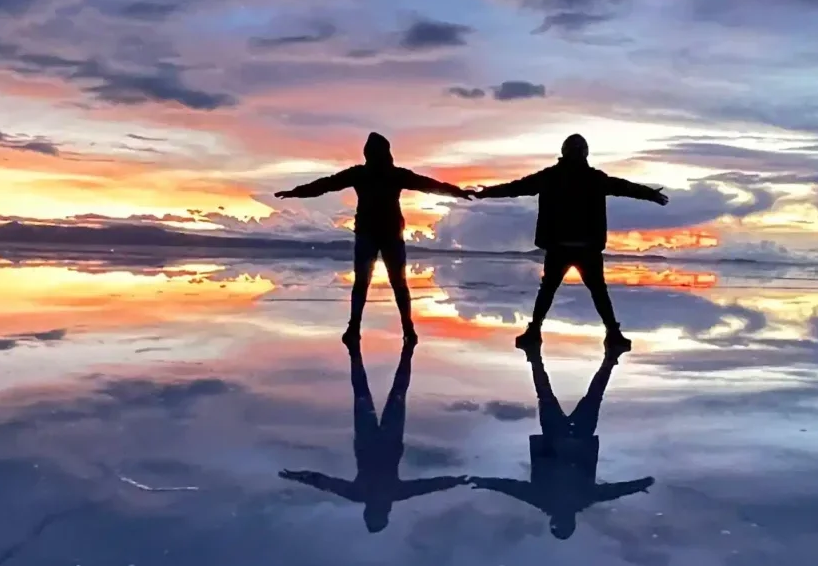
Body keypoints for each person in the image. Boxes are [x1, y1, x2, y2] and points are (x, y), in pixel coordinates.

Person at [474, 134, 668, 352]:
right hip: (582, 247)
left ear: (565, 152)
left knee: (551, 290)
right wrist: (651, 194)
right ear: (584, 153)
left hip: (563, 247)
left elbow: (515, 187)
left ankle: (536, 331)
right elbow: (624, 187)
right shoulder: (593, 178)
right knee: (593, 291)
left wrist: (485, 193)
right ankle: (611, 333)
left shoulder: (552, 177)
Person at [275, 132, 470, 344]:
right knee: (390, 284)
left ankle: (391, 328)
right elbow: (326, 184)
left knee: (375, 284)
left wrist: (456, 192)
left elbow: (326, 184)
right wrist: (296, 192)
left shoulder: (369, 173)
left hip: (379, 235)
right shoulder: (384, 174)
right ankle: (390, 329)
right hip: (379, 235)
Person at [469, 342, 653, 539]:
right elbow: (511, 488)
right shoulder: (549, 499)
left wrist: (640, 485)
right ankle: (536, 354)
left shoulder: (572, 500)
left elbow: (510, 488)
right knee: (553, 395)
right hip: (564, 436)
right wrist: (638, 485)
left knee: (585, 397)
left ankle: (606, 356)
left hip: (567, 436)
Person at [280, 339, 466, 533]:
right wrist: (457, 481)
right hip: (373, 441)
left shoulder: (386, 493)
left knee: (393, 392)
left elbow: (430, 486)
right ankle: (367, 351)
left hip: (380, 441)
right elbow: (324, 482)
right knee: (371, 392)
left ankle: (400, 349)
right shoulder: (366, 494)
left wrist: (457, 481)